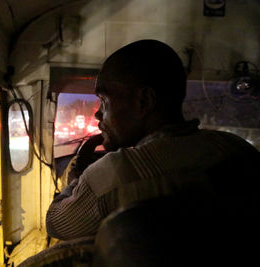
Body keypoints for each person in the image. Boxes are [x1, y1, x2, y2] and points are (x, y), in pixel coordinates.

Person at [46, 39, 260, 241]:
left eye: (104, 101)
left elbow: (57, 223)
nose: (98, 115)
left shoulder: (115, 175)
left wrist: (75, 179)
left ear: (144, 101)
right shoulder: (234, 147)